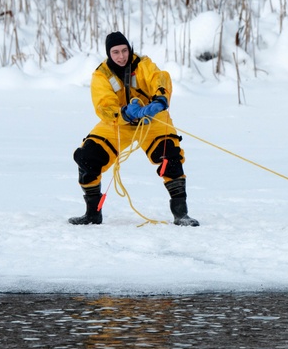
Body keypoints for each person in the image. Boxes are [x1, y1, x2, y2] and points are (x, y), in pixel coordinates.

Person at [69, 31, 199, 227]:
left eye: (124, 50)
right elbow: (104, 106)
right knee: (87, 157)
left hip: (152, 119)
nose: (121, 56)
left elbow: (159, 78)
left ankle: (181, 214)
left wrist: (161, 98)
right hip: (118, 122)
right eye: (116, 52)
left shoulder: (143, 64)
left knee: (170, 157)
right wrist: (125, 113)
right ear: (108, 54)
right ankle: (92, 214)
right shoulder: (101, 75)